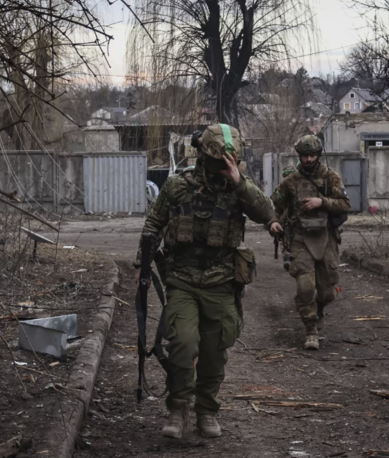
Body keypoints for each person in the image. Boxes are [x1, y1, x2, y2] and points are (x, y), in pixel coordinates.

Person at [135, 123, 273, 439]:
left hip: (222, 282)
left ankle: (207, 412)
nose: (223, 168)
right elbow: (153, 224)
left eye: (230, 161)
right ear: (203, 158)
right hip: (182, 280)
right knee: (183, 343)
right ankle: (178, 409)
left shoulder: (239, 187)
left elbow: (267, 213)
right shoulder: (177, 187)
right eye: (218, 162)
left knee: (214, 351)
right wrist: (143, 259)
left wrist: (239, 183)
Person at [268, 135, 350, 350]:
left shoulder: (331, 177)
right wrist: (274, 222)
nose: (309, 159)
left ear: (318, 155)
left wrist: (321, 201)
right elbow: (275, 206)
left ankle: (320, 307)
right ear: (300, 156)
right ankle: (311, 329)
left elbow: (345, 204)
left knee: (327, 290)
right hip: (300, 238)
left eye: (312, 155)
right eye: (305, 156)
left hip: (326, 237)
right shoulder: (290, 182)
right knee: (305, 287)